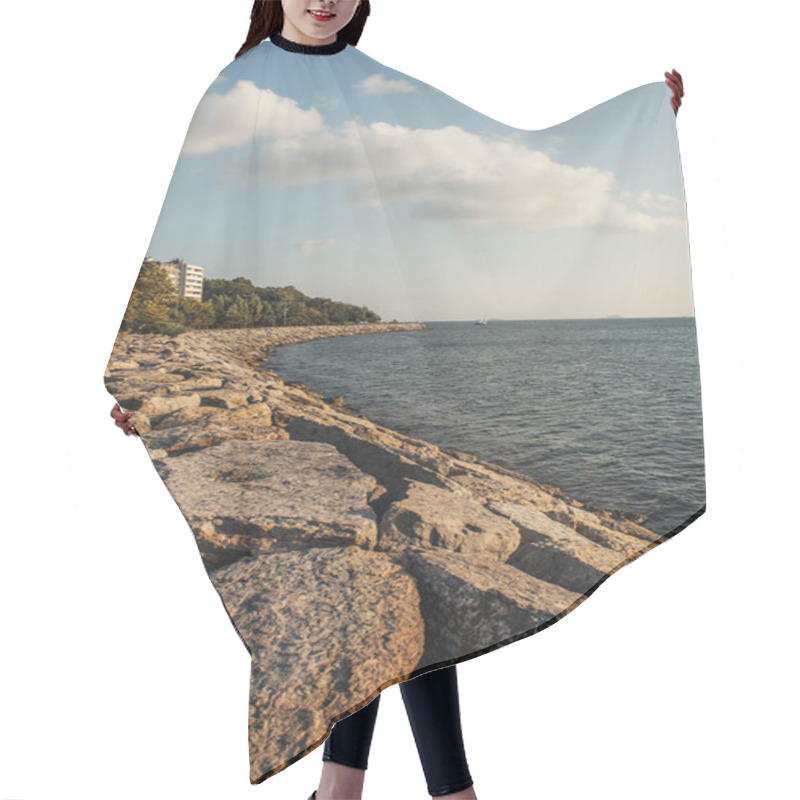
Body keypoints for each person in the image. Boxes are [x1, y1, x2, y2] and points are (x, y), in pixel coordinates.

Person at [109, 2, 685, 798]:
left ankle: (352, 788)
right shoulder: (237, 85)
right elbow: (185, 222)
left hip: (411, 371)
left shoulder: (376, 83)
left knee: (401, 588)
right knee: (396, 587)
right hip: (341, 404)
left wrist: (640, 123)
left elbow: (500, 158)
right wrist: (138, 383)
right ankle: (427, 791)